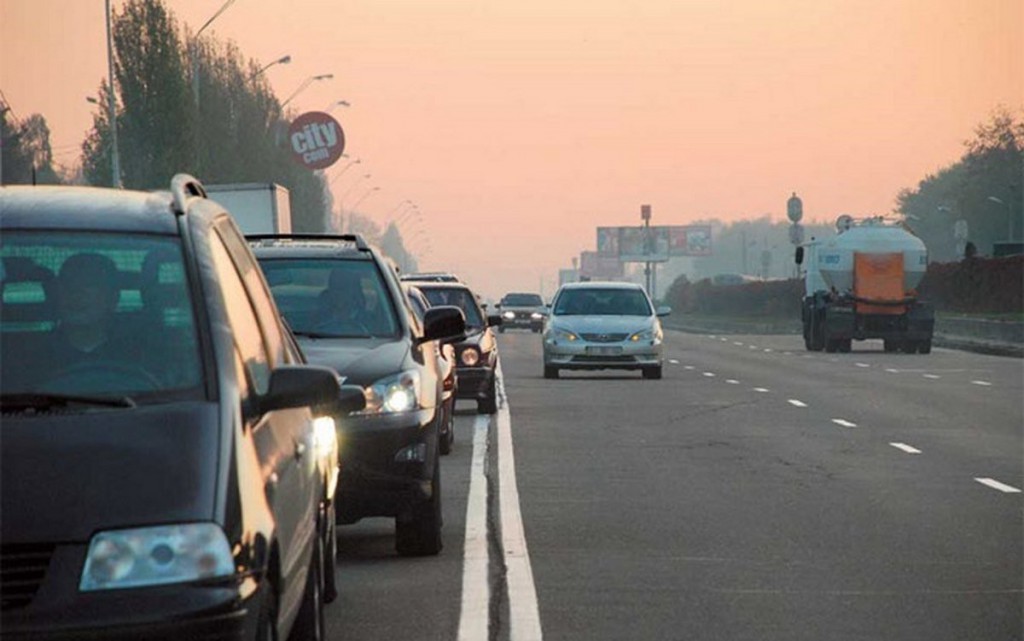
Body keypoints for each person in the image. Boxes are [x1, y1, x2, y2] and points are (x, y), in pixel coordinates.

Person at [314, 267, 373, 334]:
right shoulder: (317, 319)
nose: (339, 294)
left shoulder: (370, 323)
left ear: (355, 292)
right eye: (336, 287)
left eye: (344, 288)